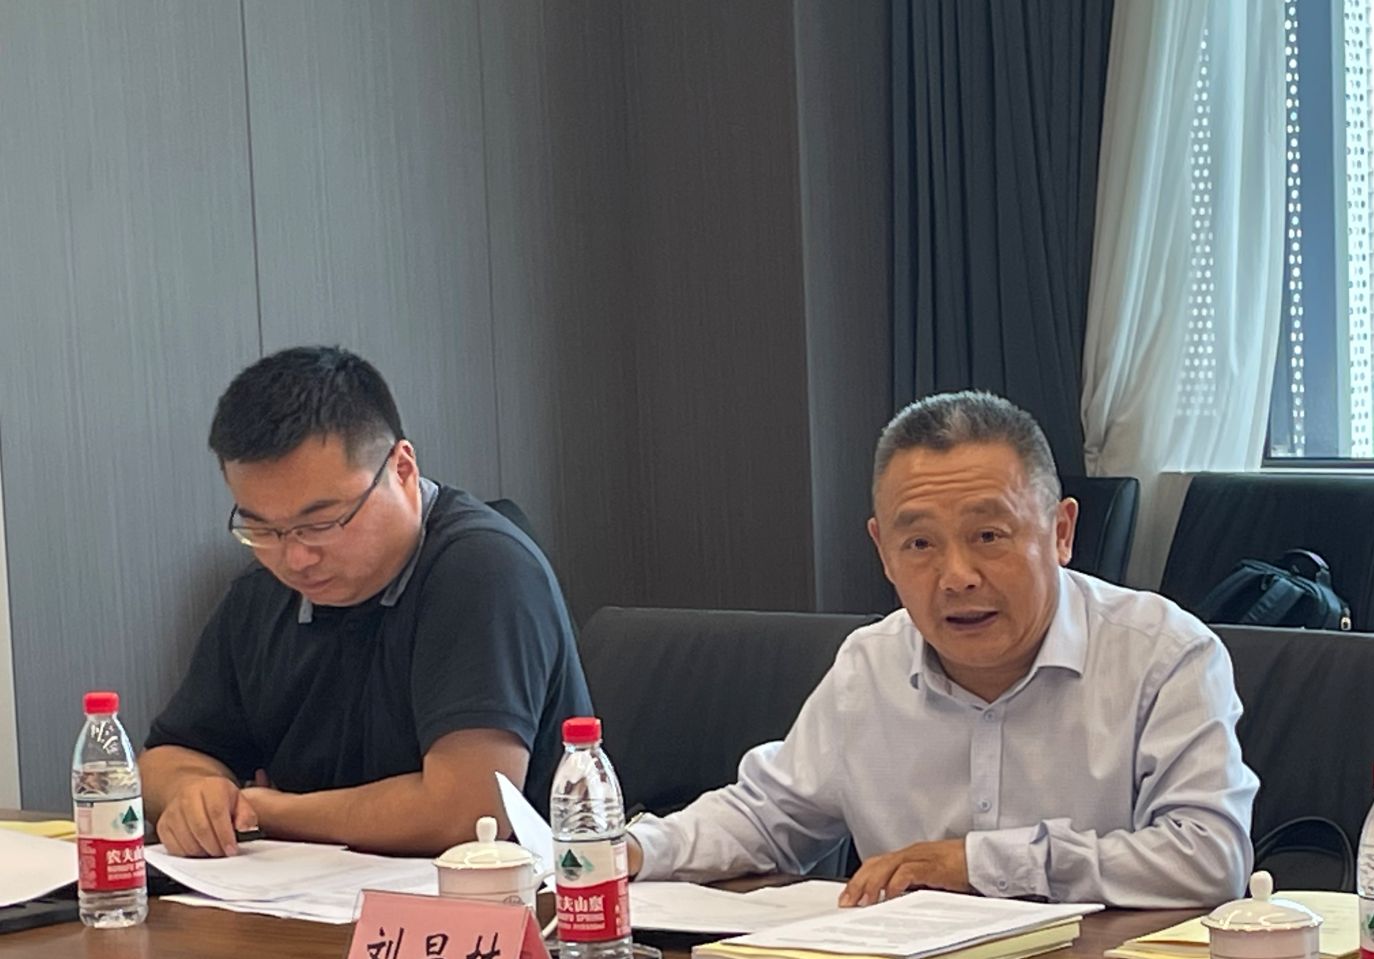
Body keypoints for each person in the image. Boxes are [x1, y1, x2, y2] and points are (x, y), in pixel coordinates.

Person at [626, 391, 1257, 908]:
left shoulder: (1163, 654)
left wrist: (980, 864)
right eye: (920, 544)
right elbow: (766, 817)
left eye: (989, 535)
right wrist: (631, 850)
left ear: (1061, 532)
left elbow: (1209, 858)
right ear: (883, 552)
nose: (956, 577)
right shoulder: (869, 665)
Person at [142, 346, 590, 858]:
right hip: (308, 896)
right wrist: (195, 793)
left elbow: (468, 813)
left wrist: (266, 810)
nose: (296, 558)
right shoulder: (262, 591)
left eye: (322, 522)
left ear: (402, 469)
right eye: (261, 528)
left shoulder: (484, 570)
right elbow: (164, 758)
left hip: (511, 896)